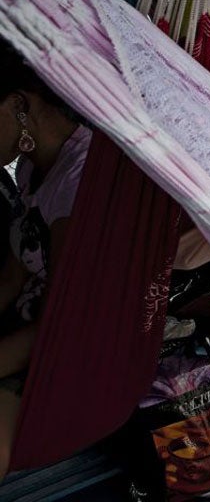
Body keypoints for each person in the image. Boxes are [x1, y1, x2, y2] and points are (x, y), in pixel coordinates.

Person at [0, 42, 91, 478]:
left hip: (61, 354)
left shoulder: (80, 179)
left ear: (19, 105)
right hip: (22, 330)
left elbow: (65, 319)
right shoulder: (33, 167)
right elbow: (12, 277)